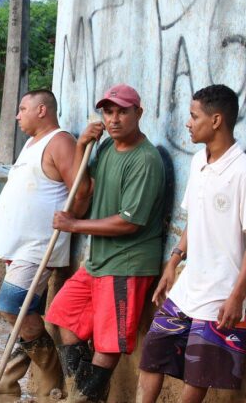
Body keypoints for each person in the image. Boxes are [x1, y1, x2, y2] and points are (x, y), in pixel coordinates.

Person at [47, 84, 166, 402]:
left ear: (138, 113)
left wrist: (74, 225)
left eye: (122, 111)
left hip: (126, 262)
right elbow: (83, 191)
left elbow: (129, 222)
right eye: (108, 112)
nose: (114, 119)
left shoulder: (145, 160)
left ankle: (83, 397)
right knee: (61, 316)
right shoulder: (106, 149)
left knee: (109, 343)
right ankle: (85, 392)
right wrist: (82, 147)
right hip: (99, 260)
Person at [138, 84, 246, 403]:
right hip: (188, 285)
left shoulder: (244, 173)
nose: (188, 123)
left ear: (216, 120)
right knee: (152, 355)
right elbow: (195, 220)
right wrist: (173, 263)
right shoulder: (197, 162)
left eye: (193, 116)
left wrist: (237, 296)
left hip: (222, 293)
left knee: (198, 375)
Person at [0, 89, 76, 398]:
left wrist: (73, 223)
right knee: (21, 313)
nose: (18, 115)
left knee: (11, 307)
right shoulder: (32, 143)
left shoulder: (60, 141)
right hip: (19, 248)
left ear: (42, 110)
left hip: (38, 247)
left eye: (23, 108)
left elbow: (81, 190)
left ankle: (52, 377)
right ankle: (7, 385)